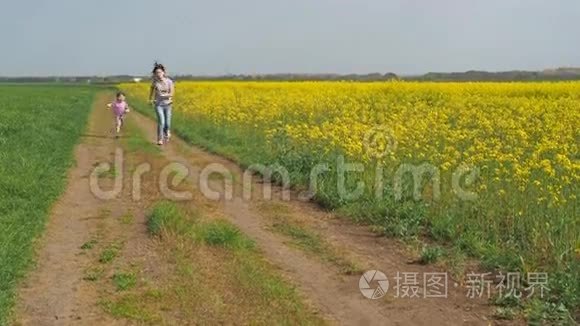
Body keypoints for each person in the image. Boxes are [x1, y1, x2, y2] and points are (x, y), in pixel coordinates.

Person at [149, 62, 174, 145]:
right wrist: (150, 99)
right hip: (158, 105)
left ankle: (167, 131)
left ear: (163, 72)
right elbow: (151, 91)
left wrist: (164, 95)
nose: (158, 74)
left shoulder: (169, 82)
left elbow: (172, 94)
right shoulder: (155, 82)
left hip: (168, 104)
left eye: (160, 72)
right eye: (156, 73)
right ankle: (160, 139)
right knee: (161, 122)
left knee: (167, 123)